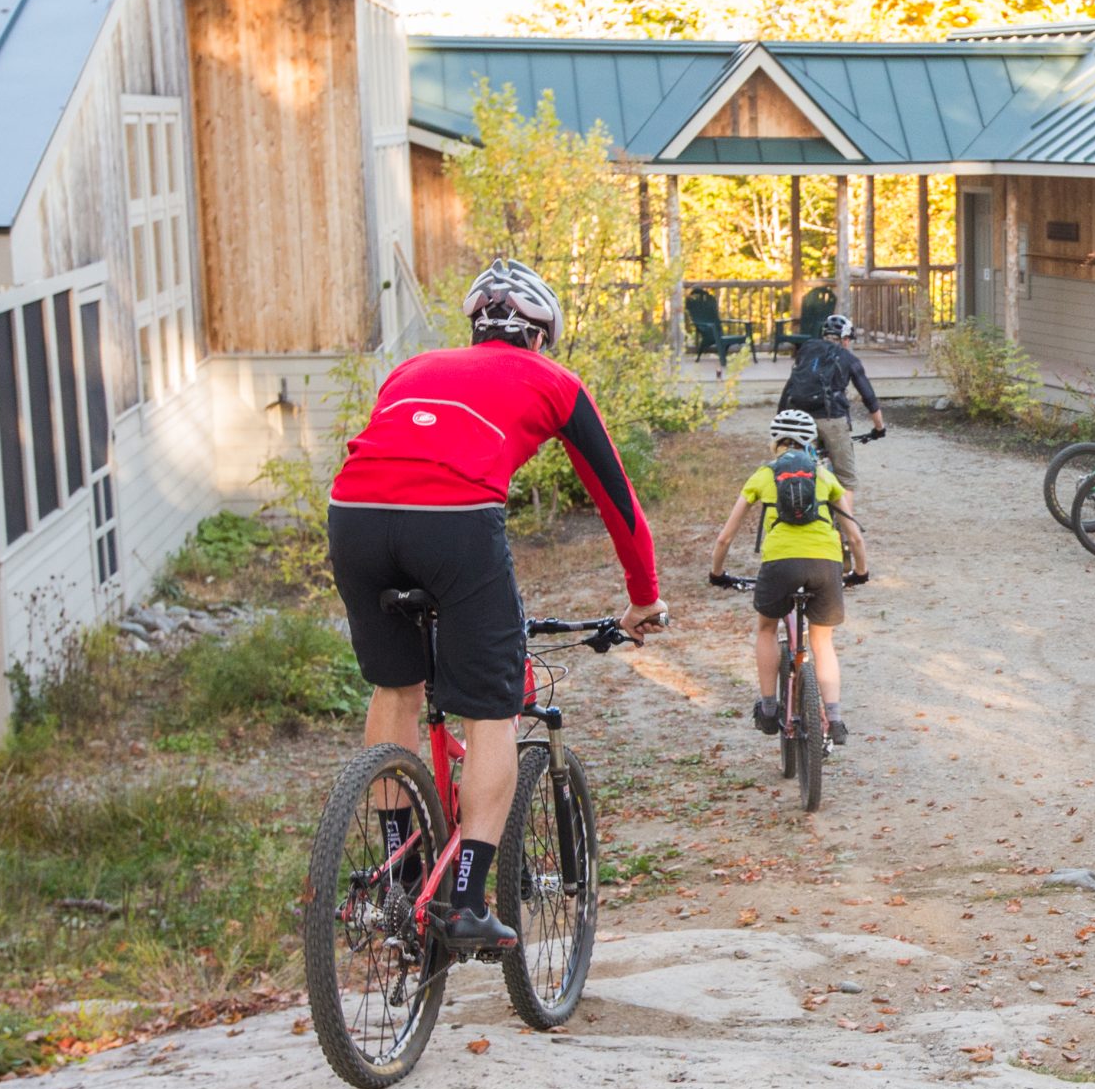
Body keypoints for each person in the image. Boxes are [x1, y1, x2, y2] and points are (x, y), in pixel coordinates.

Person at [327, 258, 666, 951]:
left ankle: (398, 877)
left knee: (396, 685)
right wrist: (644, 599)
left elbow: (393, 457)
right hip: (454, 522)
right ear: (541, 336)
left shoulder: (413, 368)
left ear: (475, 327)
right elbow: (618, 502)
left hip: (353, 515)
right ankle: (468, 901)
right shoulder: (554, 380)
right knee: (492, 709)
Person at [708, 407, 869, 751]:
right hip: (826, 564)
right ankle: (836, 718)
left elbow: (725, 537)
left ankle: (768, 707)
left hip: (780, 564)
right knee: (822, 641)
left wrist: (717, 574)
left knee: (766, 628)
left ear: (775, 441)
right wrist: (860, 572)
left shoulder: (764, 475)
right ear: (811, 440)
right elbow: (854, 535)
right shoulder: (824, 476)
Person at [777, 313, 885, 502]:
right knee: (846, 480)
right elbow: (869, 397)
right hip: (831, 418)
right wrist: (879, 428)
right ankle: (847, 531)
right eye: (849, 339)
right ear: (844, 339)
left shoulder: (807, 349)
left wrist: (781, 418)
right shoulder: (848, 358)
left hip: (799, 418)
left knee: (799, 469)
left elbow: (792, 383)